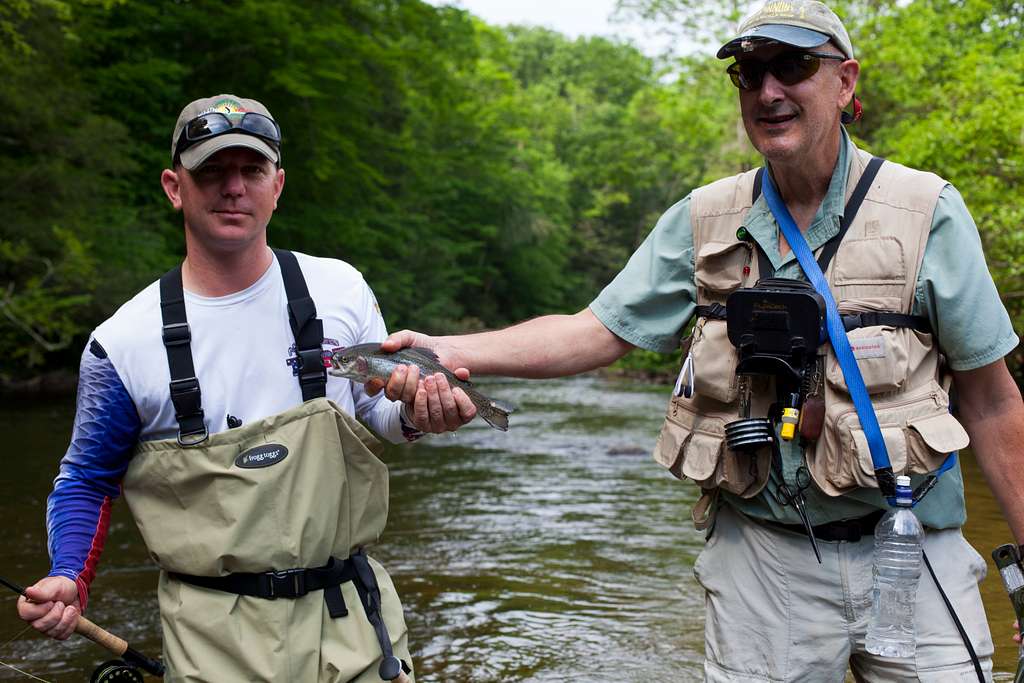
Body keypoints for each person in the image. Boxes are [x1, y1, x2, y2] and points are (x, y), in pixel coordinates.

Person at [372, 2, 1024, 680]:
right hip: (763, 565)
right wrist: (449, 350)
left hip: (912, 547)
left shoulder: (928, 211)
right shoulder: (702, 217)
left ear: (846, 81)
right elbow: (593, 331)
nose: (769, 91)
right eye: (749, 73)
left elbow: (993, 403)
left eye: (793, 66)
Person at [17, 93, 476, 682]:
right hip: (211, 636)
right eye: (212, 170)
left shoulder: (340, 288)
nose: (234, 187)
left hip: (354, 622)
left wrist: (419, 413)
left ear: (277, 185)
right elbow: (87, 479)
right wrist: (67, 574)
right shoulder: (120, 343)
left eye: (251, 170)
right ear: (173, 186)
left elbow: (377, 414)